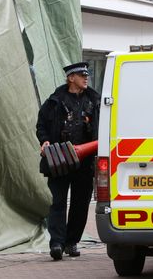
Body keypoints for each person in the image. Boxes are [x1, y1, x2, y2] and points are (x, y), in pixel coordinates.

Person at [36, 62, 100, 261]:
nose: (86, 77)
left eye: (87, 74)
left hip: (85, 161)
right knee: (57, 202)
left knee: (80, 204)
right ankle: (56, 243)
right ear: (71, 78)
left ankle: (71, 242)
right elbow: (41, 125)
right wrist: (44, 141)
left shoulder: (95, 101)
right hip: (59, 160)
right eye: (82, 75)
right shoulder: (55, 101)